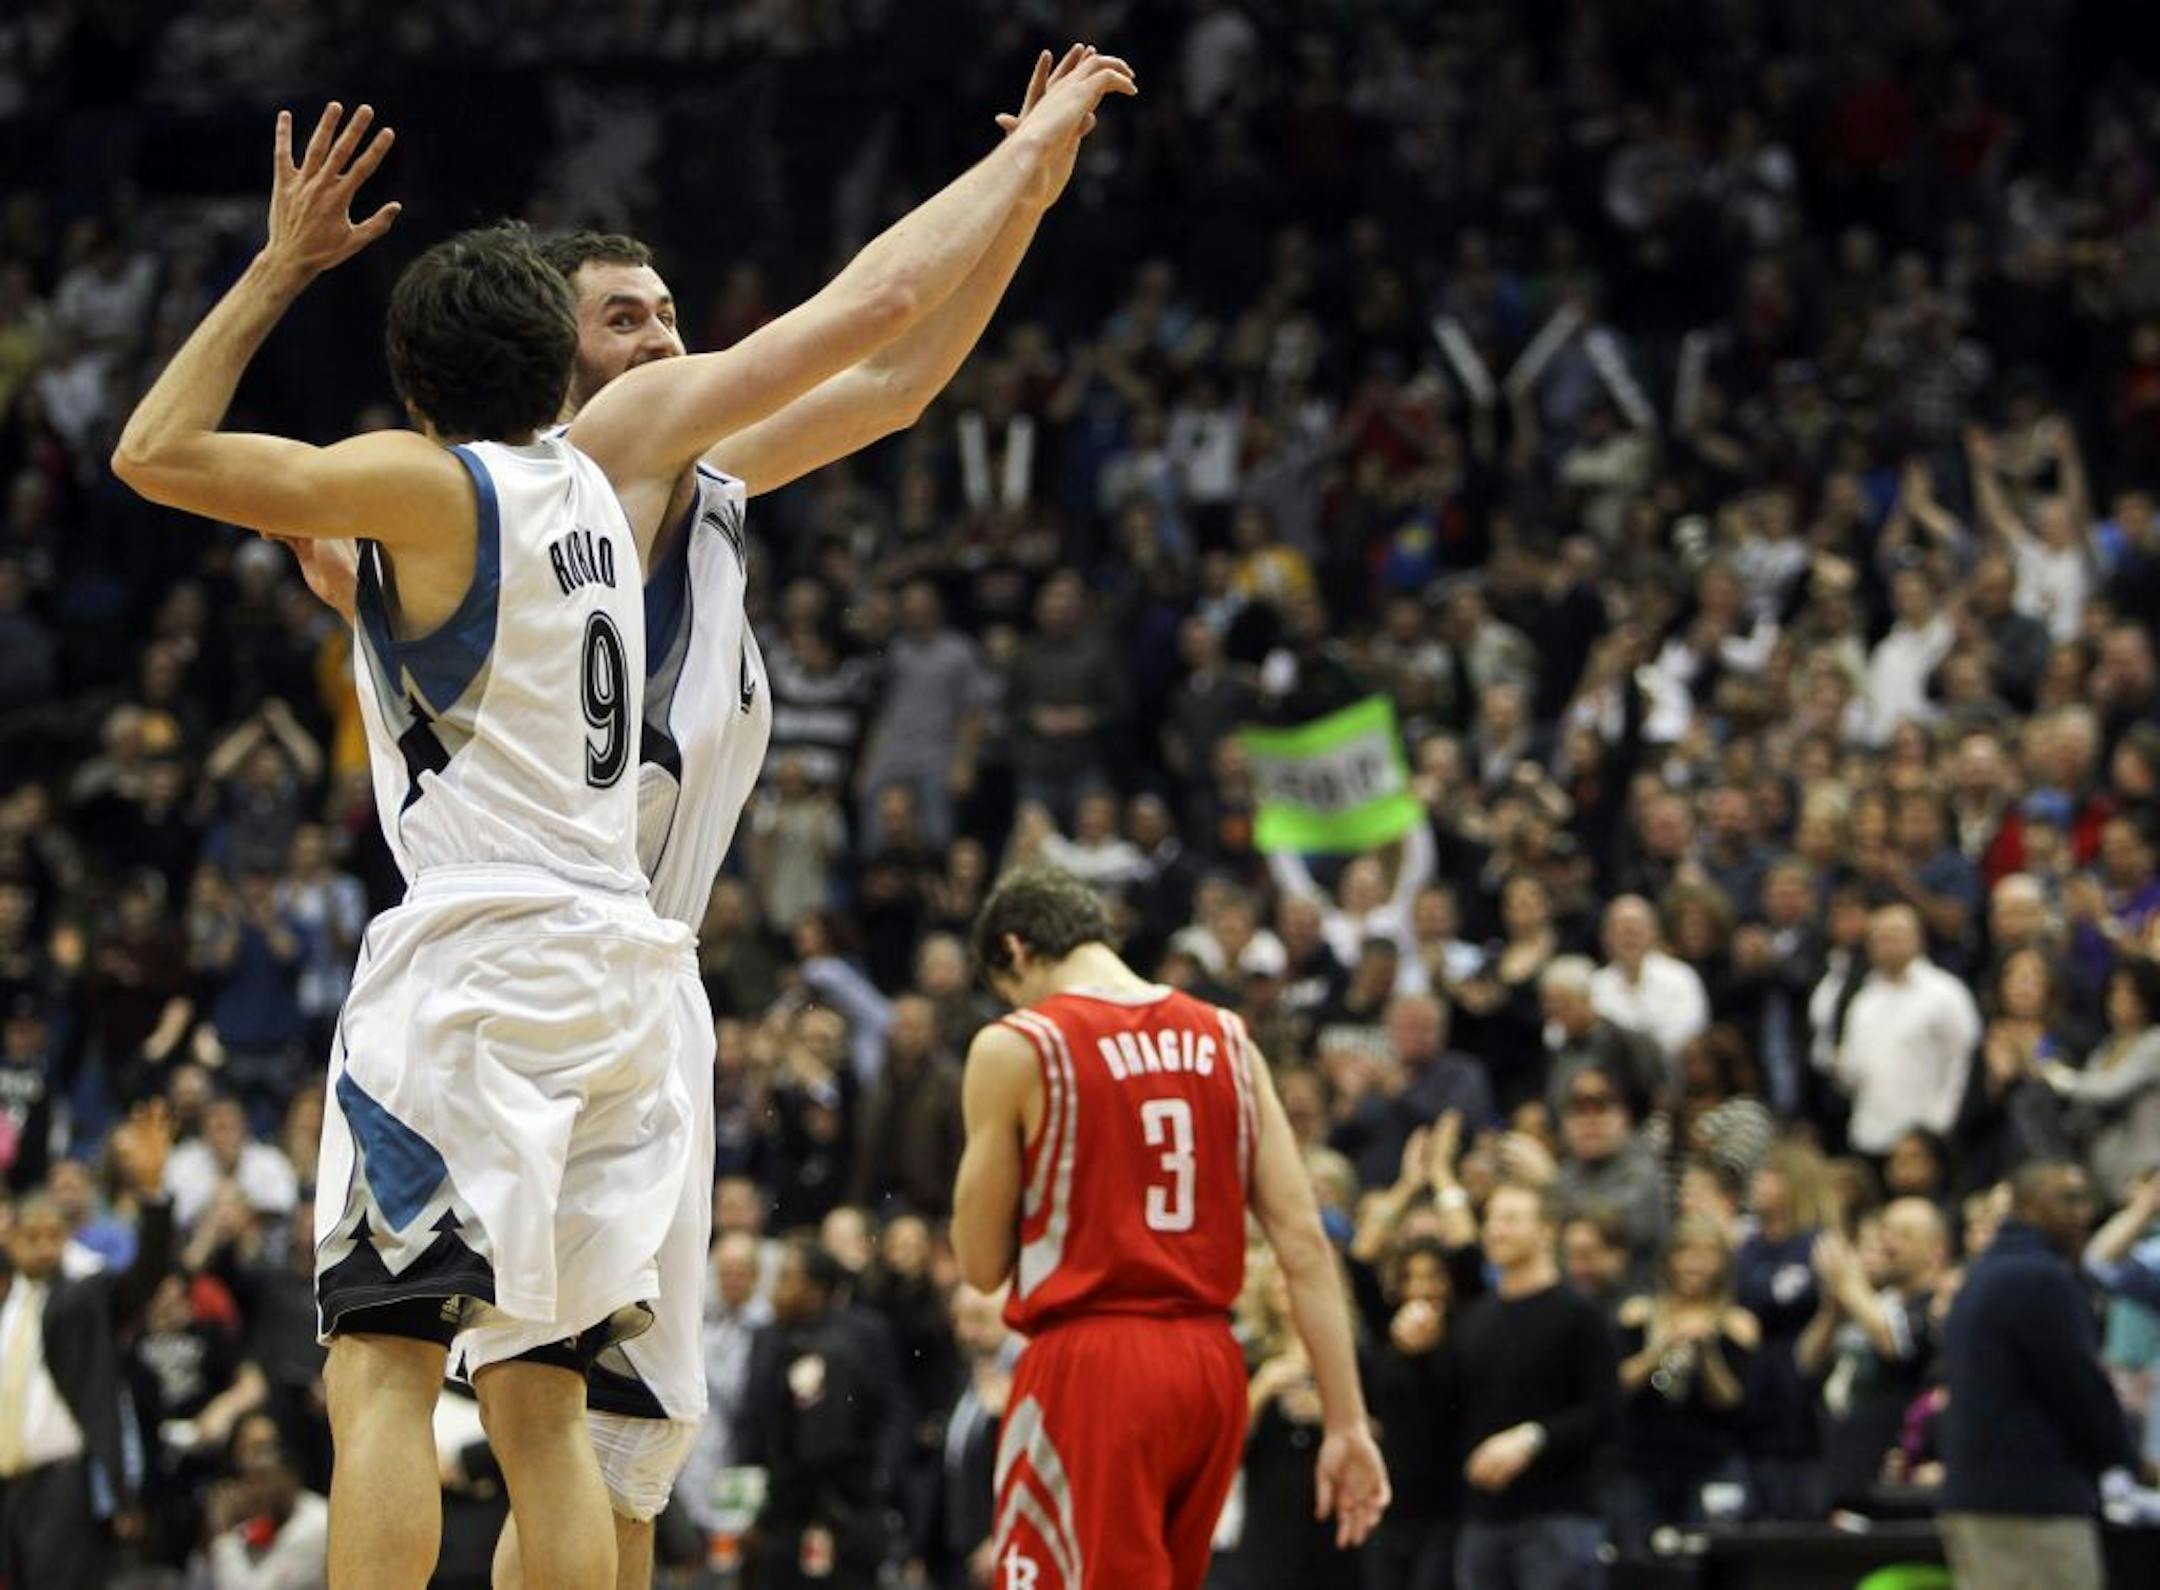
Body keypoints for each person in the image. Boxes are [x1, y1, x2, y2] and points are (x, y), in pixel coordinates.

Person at [113, 69, 1135, 1587]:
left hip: (510, 954)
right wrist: (1020, 187)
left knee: (392, 1369)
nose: (670, 344)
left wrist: (1024, 184)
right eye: (631, 318)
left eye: (671, 316)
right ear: (549, 348)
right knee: (558, 1421)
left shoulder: (597, 461)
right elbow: (875, 337)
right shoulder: (604, 480)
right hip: (626, 981)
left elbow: (884, 350)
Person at [953, 864, 1388, 1588]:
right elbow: (1307, 1247)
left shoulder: (1020, 1044)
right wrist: (1347, 1422)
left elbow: (979, 1263)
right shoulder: (1230, 1040)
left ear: (1015, 952)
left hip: (1095, 1361)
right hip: (1211, 1369)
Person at [0, 1103, 174, 1590]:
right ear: (11, 1241)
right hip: (9, 1489)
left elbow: (145, 1277)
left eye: (52, 1235)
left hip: (64, 1484)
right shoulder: (7, 1305)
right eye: (29, 1236)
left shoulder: (84, 1295)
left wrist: (154, 1198)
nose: (41, 1246)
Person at [1940, 1162, 2137, 1590]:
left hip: (1979, 1499)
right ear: (2025, 1205)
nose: (2082, 1213)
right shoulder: (2040, 1278)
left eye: (2085, 1200)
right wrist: (2129, 1458)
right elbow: (2079, 1390)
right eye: (2066, 1199)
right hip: (2031, 1505)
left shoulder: (1984, 1272)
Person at [1451, 1181, 1620, 1590]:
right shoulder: (1476, 1319)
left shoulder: (1579, 1313)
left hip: (1559, 1516)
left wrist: (1532, 1439)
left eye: (1510, 1219)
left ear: (1545, 1231)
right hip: (1483, 1520)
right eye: (1490, 1219)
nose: (1496, 1230)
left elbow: (1605, 1415)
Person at [737, 1237, 896, 1588]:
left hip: (829, 1515)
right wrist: (744, 1510)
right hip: (772, 1516)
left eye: (789, 1278)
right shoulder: (768, 1338)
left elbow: (829, 1444)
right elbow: (749, 1424)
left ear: (817, 1290)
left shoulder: (846, 1346)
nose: (778, 1289)